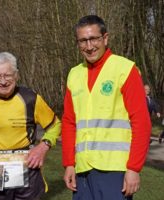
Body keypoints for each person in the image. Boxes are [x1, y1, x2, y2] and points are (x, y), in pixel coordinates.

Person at [61, 15, 151, 200]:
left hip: (115, 171)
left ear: (105, 38)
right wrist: (69, 163)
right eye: (83, 41)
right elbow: (69, 122)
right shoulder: (74, 74)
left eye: (94, 38)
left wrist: (134, 168)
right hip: (82, 170)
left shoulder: (125, 70)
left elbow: (141, 122)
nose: (89, 46)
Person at [0, 52, 61, 200]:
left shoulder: (31, 98)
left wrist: (42, 147)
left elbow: (55, 125)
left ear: (16, 75)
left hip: (26, 169)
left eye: (8, 75)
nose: (3, 81)